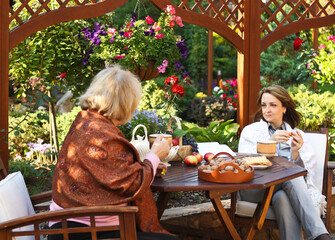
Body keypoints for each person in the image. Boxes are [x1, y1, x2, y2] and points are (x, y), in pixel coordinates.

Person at [48, 65, 179, 240]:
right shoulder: (104, 135)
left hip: (73, 225)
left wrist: (145, 165)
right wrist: (155, 154)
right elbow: (135, 186)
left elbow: (108, 171)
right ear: (126, 104)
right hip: (84, 232)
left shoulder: (86, 120)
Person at [238, 85, 331, 240]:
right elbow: (245, 162)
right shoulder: (251, 131)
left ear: (284, 108)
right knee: (290, 174)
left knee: (282, 196)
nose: (267, 109)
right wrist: (269, 143)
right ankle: (320, 235)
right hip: (255, 188)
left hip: (280, 189)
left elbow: (305, 176)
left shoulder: (296, 134)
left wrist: (295, 153)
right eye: (264, 105)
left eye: (273, 105)